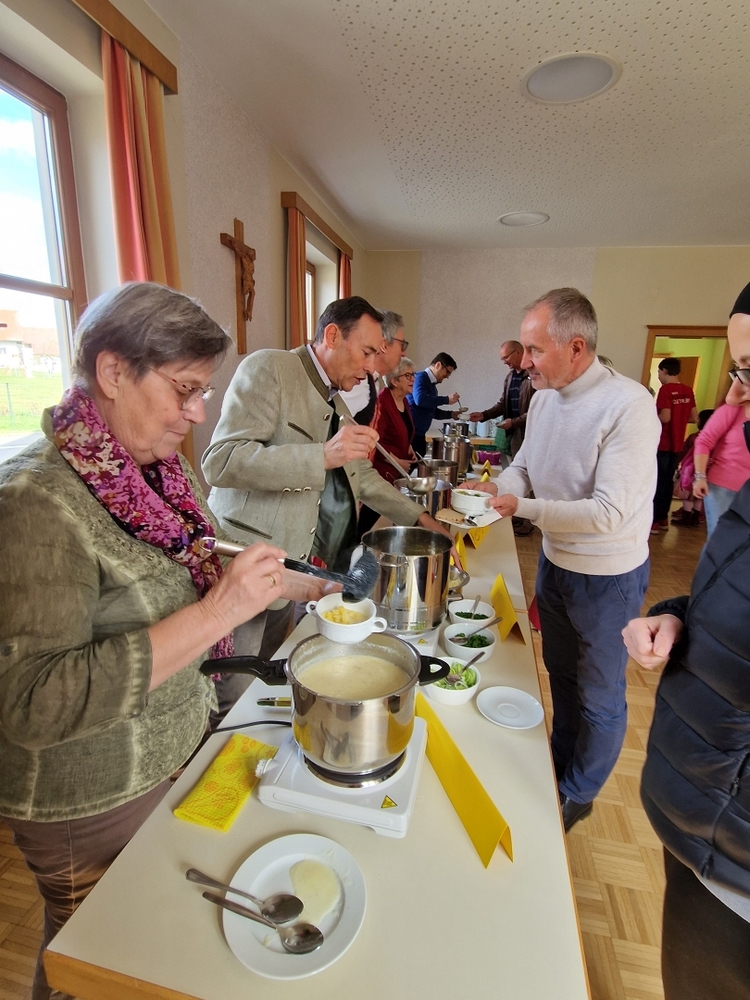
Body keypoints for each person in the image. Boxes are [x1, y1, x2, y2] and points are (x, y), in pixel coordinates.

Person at [0, 282, 329, 1000]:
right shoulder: (33, 501)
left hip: (171, 753)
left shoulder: (153, 468)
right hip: (89, 798)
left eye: (202, 392)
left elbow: (198, 550)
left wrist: (293, 582)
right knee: (92, 965)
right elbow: (31, 703)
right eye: (185, 390)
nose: (198, 412)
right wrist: (216, 613)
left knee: (150, 950)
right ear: (113, 371)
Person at [475, 288, 660, 831]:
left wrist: (523, 507)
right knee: (560, 674)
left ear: (576, 347)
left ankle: (579, 792)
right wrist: (498, 488)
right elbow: (523, 467)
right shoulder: (544, 399)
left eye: (535, 350)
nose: (524, 363)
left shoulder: (629, 406)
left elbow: (609, 513)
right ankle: (559, 764)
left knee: (600, 695)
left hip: (608, 576)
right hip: (556, 564)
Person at [621, 282, 750, 1000]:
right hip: (704, 821)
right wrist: (680, 617)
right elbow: (731, 594)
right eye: (738, 369)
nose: (737, 392)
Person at [202, 296, 449, 659]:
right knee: (233, 682)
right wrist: (321, 455)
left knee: (269, 669)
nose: (370, 368)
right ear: (333, 336)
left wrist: (420, 518)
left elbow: (361, 475)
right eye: (366, 352)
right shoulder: (270, 368)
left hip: (291, 571)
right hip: (243, 563)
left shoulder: (336, 404)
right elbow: (220, 461)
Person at [469, 339, 534, 534]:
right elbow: (502, 404)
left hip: (529, 433)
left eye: (506, 357)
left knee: (529, 475)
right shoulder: (510, 377)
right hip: (514, 433)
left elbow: (536, 411)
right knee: (516, 471)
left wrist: (513, 422)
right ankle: (518, 515)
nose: (504, 361)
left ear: (518, 352)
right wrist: (484, 415)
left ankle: (527, 521)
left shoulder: (533, 376)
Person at [356, 356, 417, 538]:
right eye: (407, 375)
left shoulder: (404, 400)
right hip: (381, 473)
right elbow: (375, 440)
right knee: (368, 520)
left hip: (396, 473)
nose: (413, 379)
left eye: (413, 375)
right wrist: (397, 461)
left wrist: (408, 446)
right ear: (394, 381)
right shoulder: (383, 401)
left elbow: (403, 428)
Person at [652, 357, 698, 533]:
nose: (658, 376)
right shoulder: (687, 390)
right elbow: (694, 417)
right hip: (677, 444)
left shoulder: (665, 390)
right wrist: (679, 420)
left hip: (663, 443)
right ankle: (663, 519)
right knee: (668, 482)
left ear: (664, 370)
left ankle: (654, 521)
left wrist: (649, 416)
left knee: (657, 482)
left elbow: (665, 417)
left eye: (658, 372)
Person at [339, 309, 408, 424]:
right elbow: (335, 425)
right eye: (402, 345)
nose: (404, 353)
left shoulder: (371, 380)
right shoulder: (358, 382)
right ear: (384, 345)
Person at [691, 400, 750, 535]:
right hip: (723, 487)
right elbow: (704, 441)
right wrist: (700, 477)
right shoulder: (734, 408)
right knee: (722, 539)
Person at [407, 351, 460, 457]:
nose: (447, 376)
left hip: (419, 435)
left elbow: (432, 412)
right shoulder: (421, 377)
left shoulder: (432, 387)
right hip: (410, 436)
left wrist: (451, 414)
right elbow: (420, 400)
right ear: (438, 365)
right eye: (447, 372)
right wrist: (446, 399)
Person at [670, 408, 713, 527]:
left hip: (690, 470)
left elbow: (683, 451)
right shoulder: (716, 439)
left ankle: (686, 517)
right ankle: (695, 518)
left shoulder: (694, 437)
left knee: (687, 495)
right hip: (706, 470)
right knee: (699, 496)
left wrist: (676, 463)